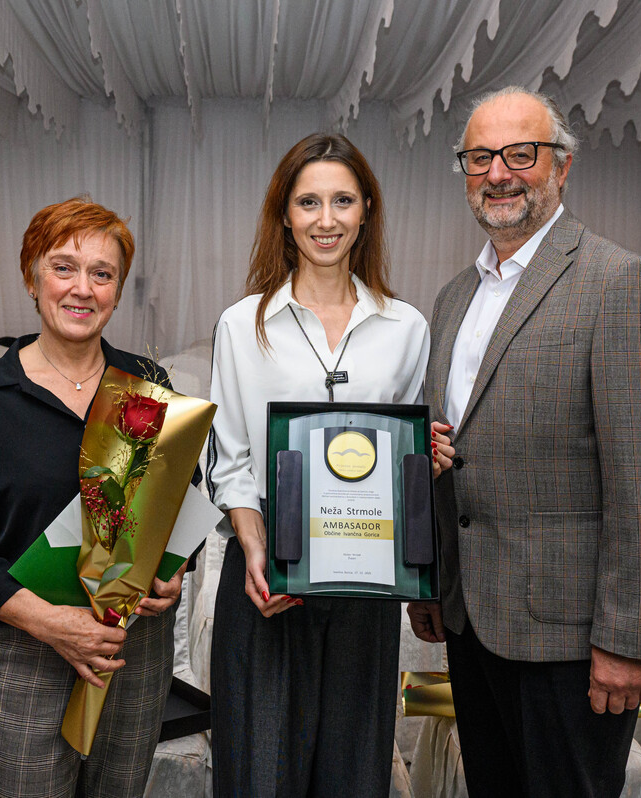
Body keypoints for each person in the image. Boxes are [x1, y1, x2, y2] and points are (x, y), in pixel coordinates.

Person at [406, 87, 641, 797]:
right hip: (472, 625)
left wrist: (627, 641)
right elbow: (451, 452)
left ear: (561, 166)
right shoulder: (454, 297)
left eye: (520, 154)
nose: (498, 173)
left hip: (574, 640)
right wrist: (432, 582)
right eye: (480, 158)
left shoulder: (619, 282)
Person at [207, 133, 453, 796]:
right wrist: (256, 551)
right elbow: (229, 458)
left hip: (365, 579)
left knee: (353, 775)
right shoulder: (242, 324)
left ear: (366, 210)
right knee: (258, 775)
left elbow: (401, 460)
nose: (326, 219)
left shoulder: (406, 327)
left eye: (342, 200)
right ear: (284, 215)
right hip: (268, 572)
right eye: (308, 201)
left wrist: (423, 463)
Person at [0, 197, 186, 798]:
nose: (82, 289)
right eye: (63, 267)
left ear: (117, 291)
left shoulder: (146, 384)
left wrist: (174, 570)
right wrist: (53, 624)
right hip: (24, 651)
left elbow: (177, 502)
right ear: (31, 277)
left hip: (130, 648)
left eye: (102, 273)